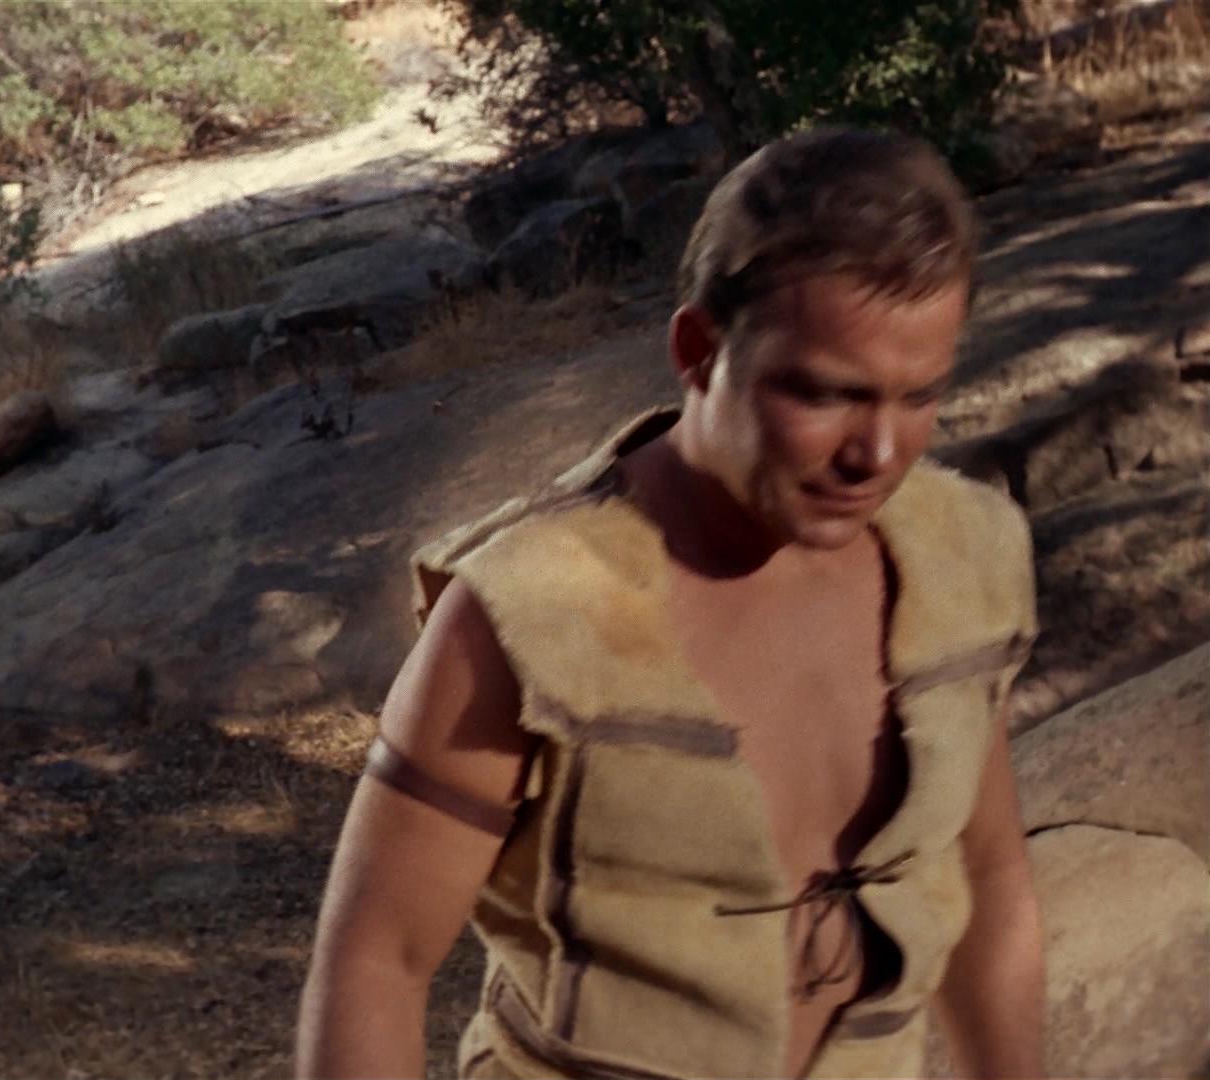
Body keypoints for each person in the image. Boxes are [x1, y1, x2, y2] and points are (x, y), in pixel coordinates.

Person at [296, 126, 1044, 1080]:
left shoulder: (968, 556)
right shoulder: (528, 614)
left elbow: (987, 878)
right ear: (697, 351)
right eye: (827, 396)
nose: (878, 453)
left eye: (918, 396)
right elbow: (377, 962)